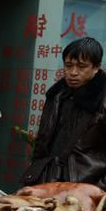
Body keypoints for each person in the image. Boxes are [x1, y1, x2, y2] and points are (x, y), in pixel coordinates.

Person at [22, 37, 106, 187]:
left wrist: (99, 190)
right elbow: (42, 144)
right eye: (68, 66)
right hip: (47, 180)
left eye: (81, 67)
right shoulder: (56, 95)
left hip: (86, 186)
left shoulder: (102, 99)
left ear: (96, 67)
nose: (73, 72)